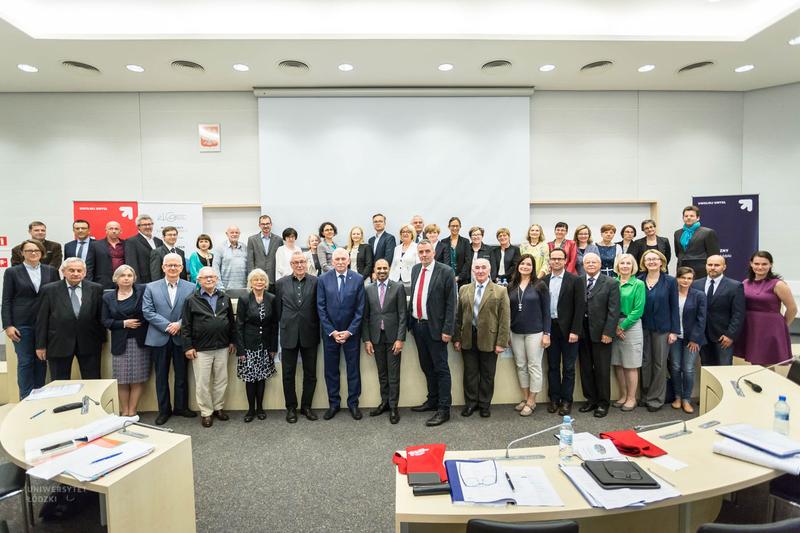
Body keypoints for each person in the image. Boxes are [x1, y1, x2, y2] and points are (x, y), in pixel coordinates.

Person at [142, 252, 198, 425]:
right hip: (159, 338)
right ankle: (164, 410)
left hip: (181, 337)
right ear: (163, 267)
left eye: (176, 265)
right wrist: (168, 325)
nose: (173, 268)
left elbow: (193, 311)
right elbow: (147, 311)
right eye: (169, 265)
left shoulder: (191, 287)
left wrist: (179, 325)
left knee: (182, 375)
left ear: (182, 268)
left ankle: (181, 407)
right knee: (161, 376)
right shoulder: (151, 287)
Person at [408, 239, 458, 427]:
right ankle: (432, 401)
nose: (424, 255)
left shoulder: (446, 271)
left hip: (437, 329)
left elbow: (451, 303)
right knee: (426, 367)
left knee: (441, 369)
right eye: (420, 252)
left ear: (433, 252)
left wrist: (447, 330)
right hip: (418, 327)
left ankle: (444, 409)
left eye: (427, 251)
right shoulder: (415, 270)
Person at [2, 239, 59, 399]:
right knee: (26, 361)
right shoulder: (13, 272)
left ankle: (39, 396)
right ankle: (26, 398)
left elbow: (56, 297)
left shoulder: (51, 271)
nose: (33, 253)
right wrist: (8, 325)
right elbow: (6, 299)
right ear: (22, 253)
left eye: (36, 250)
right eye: (29, 251)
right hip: (22, 324)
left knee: (41, 361)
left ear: (41, 253)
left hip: (45, 323)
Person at [453, 258, 510, 418]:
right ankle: (471, 404)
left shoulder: (500, 290)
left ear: (489, 269)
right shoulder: (464, 289)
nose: (480, 271)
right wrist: (456, 338)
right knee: (470, 373)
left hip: (490, 339)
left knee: (487, 374)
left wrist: (501, 342)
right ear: (472, 270)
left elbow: (505, 319)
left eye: (483, 267)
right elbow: (458, 316)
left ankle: (484, 404)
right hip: (467, 338)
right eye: (477, 268)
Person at [181, 266, 237, 428]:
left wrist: (232, 341)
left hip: (222, 347)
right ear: (198, 280)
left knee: (221, 380)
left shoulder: (224, 298)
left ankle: (218, 408)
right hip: (200, 349)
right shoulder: (191, 300)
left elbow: (231, 323)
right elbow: (186, 325)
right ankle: (206, 412)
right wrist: (188, 346)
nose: (210, 279)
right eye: (206, 277)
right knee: (203, 382)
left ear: (217, 279)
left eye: (212, 277)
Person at [35, 257, 105, 380]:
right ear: (63, 271)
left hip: (89, 341)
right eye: (71, 270)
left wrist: (101, 340)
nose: (75, 274)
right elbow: (42, 319)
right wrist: (40, 345)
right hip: (58, 343)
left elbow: (100, 317)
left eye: (79, 270)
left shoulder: (96, 289)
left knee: (92, 379)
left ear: (84, 272)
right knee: (59, 382)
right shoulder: (49, 290)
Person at [317, 248, 366, 420]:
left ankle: (353, 404)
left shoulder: (358, 279)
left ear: (348, 261)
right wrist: (332, 331)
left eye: (342, 259)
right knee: (331, 370)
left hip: (351, 334)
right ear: (332, 261)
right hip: (330, 334)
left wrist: (349, 331)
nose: (339, 262)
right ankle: (334, 404)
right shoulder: (323, 279)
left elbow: (360, 309)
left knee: (353, 369)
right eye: (336, 259)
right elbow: (320, 308)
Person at [275, 251, 320, 423]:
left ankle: (306, 407)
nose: (299, 265)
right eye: (296, 262)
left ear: (307, 263)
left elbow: (318, 307)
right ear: (291, 265)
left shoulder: (316, 282)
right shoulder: (281, 283)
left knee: (310, 374)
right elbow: (278, 310)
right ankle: (291, 408)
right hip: (289, 334)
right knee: (288, 374)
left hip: (310, 332)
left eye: (302, 262)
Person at [362, 259, 407, 424]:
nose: (381, 271)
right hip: (376, 338)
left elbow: (403, 315)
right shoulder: (368, 289)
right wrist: (366, 339)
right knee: (382, 373)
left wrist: (400, 339)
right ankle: (385, 403)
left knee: (393, 375)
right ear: (374, 270)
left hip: (393, 338)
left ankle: (394, 407)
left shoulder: (398, 287)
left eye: (384, 268)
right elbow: (365, 317)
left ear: (389, 269)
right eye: (379, 268)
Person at [734, 251, 797, 366]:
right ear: (751, 264)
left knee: (766, 363)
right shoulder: (746, 282)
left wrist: (782, 326)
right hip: (751, 327)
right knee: (756, 363)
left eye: (764, 264)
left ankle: (769, 384)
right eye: (757, 263)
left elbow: (792, 308)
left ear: (771, 265)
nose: (760, 267)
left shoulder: (778, 284)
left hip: (770, 329)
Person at [101, 265, 149, 416]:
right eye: (123, 275)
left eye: (130, 275)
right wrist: (123, 324)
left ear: (134, 278)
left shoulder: (142, 291)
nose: (127, 278)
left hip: (140, 341)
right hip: (120, 342)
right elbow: (105, 320)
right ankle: (124, 411)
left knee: (137, 378)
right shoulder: (108, 297)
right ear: (116, 279)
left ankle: (133, 411)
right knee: (121, 379)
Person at [577, 253, 620, 418]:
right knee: (585, 368)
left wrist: (608, 332)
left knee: (602, 369)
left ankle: (603, 403)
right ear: (584, 265)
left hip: (602, 333)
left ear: (600, 264)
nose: (591, 264)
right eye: (588, 262)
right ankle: (590, 400)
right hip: (582, 332)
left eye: (594, 262)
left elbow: (614, 311)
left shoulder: (611, 283)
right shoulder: (578, 281)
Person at [542, 248, 584, 416]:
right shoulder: (543, 280)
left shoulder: (575, 280)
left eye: (560, 258)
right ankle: (554, 399)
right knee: (552, 367)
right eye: (554, 259)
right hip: (550, 329)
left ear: (566, 261)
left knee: (568, 368)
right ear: (550, 261)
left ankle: (566, 401)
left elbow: (580, 307)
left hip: (569, 331)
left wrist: (575, 331)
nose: (557, 261)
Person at [506, 255, 549, 417]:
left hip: (536, 332)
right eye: (522, 263)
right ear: (518, 266)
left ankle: (532, 400)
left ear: (533, 267)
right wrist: (508, 333)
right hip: (516, 332)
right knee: (521, 365)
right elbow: (508, 311)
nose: (525, 266)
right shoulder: (511, 286)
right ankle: (525, 398)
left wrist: (547, 334)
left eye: (529, 264)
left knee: (534, 366)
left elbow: (546, 312)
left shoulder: (540, 285)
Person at [637, 249, 680, 412]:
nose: (652, 262)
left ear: (661, 262)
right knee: (645, 362)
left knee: (659, 363)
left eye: (655, 259)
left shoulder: (669, 281)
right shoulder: (639, 279)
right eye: (648, 259)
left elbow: (674, 306)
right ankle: (645, 395)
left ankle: (656, 399)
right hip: (642, 327)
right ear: (644, 263)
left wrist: (674, 331)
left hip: (663, 328)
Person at [236, 269, 279, 423]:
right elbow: (239, 325)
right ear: (251, 283)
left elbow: (275, 325)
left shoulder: (272, 298)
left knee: (261, 378)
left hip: (265, 346)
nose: (259, 282)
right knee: (250, 379)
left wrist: (273, 347)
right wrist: (240, 349)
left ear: (266, 282)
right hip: (249, 346)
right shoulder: (244, 299)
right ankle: (251, 410)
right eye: (256, 280)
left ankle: (260, 408)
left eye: (262, 279)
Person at [692, 255, 745, 367]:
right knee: (707, 367)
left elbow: (738, 314)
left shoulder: (735, 286)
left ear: (724, 267)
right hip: (703, 335)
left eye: (717, 265)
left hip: (723, 336)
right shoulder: (696, 284)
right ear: (706, 266)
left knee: (724, 367)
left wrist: (730, 335)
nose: (713, 267)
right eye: (710, 265)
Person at [610, 254, 645, 412]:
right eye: (622, 263)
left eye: (628, 263)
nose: (625, 266)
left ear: (633, 266)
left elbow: (638, 310)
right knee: (618, 363)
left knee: (630, 365)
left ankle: (632, 398)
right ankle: (623, 395)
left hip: (631, 325)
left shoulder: (638, 284)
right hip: (614, 324)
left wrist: (622, 326)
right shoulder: (612, 282)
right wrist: (615, 326)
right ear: (617, 265)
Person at [670, 266, 707, 414]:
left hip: (692, 339)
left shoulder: (699, 295)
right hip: (674, 337)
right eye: (683, 277)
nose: (686, 281)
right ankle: (678, 397)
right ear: (677, 278)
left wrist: (695, 339)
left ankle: (686, 399)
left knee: (688, 368)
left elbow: (702, 319)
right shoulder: (672, 294)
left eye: (689, 278)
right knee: (675, 367)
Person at [674, 205, 719, 278]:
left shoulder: (708, 232)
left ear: (698, 218)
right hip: (682, 269)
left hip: (701, 271)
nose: (688, 218)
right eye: (686, 216)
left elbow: (714, 255)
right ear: (683, 218)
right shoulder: (677, 233)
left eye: (692, 216)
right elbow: (678, 252)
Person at [246, 215, 283, 288]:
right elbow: (250, 261)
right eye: (263, 224)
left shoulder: (279, 240)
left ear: (271, 224)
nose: (265, 226)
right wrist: (252, 278)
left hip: (274, 279)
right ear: (259, 225)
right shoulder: (252, 240)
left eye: (267, 223)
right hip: (258, 280)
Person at [124, 214, 163, 284]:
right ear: (138, 227)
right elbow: (132, 264)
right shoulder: (132, 241)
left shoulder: (158, 241)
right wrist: (136, 284)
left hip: (159, 281)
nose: (148, 227)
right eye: (144, 225)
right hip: (143, 282)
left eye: (150, 224)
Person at [435, 216, 470, 286]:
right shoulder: (444, 241)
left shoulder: (465, 241)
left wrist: (459, 277)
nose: (455, 228)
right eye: (452, 226)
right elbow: (442, 260)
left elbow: (468, 261)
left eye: (457, 226)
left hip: (462, 279)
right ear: (449, 227)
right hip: (447, 277)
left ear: (460, 227)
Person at [94, 221, 126, 289]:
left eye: (116, 229)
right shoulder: (95, 245)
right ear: (106, 231)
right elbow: (90, 266)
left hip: (123, 280)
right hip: (103, 282)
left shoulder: (127, 244)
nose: (114, 231)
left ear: (120, 231)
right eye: (111, 229)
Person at [213, 225, 247, 290]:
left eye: (236, 232)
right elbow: (215, 268)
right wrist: (219, 286)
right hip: (226, 288)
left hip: (243, 287)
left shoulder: (244, 247)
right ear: (227, 234)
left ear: (239, 234)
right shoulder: (220, 248)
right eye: (232, 232)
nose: (234, 234)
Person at [389, 224, 418, 288]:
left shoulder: (417, 247)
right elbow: (393, 264)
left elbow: (418, 265)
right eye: (403, 232)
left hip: (410, 280)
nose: (405, 233)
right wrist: (390, 278)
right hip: (395, 280)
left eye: (408, 232)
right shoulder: (397, 248)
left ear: (412, 234)